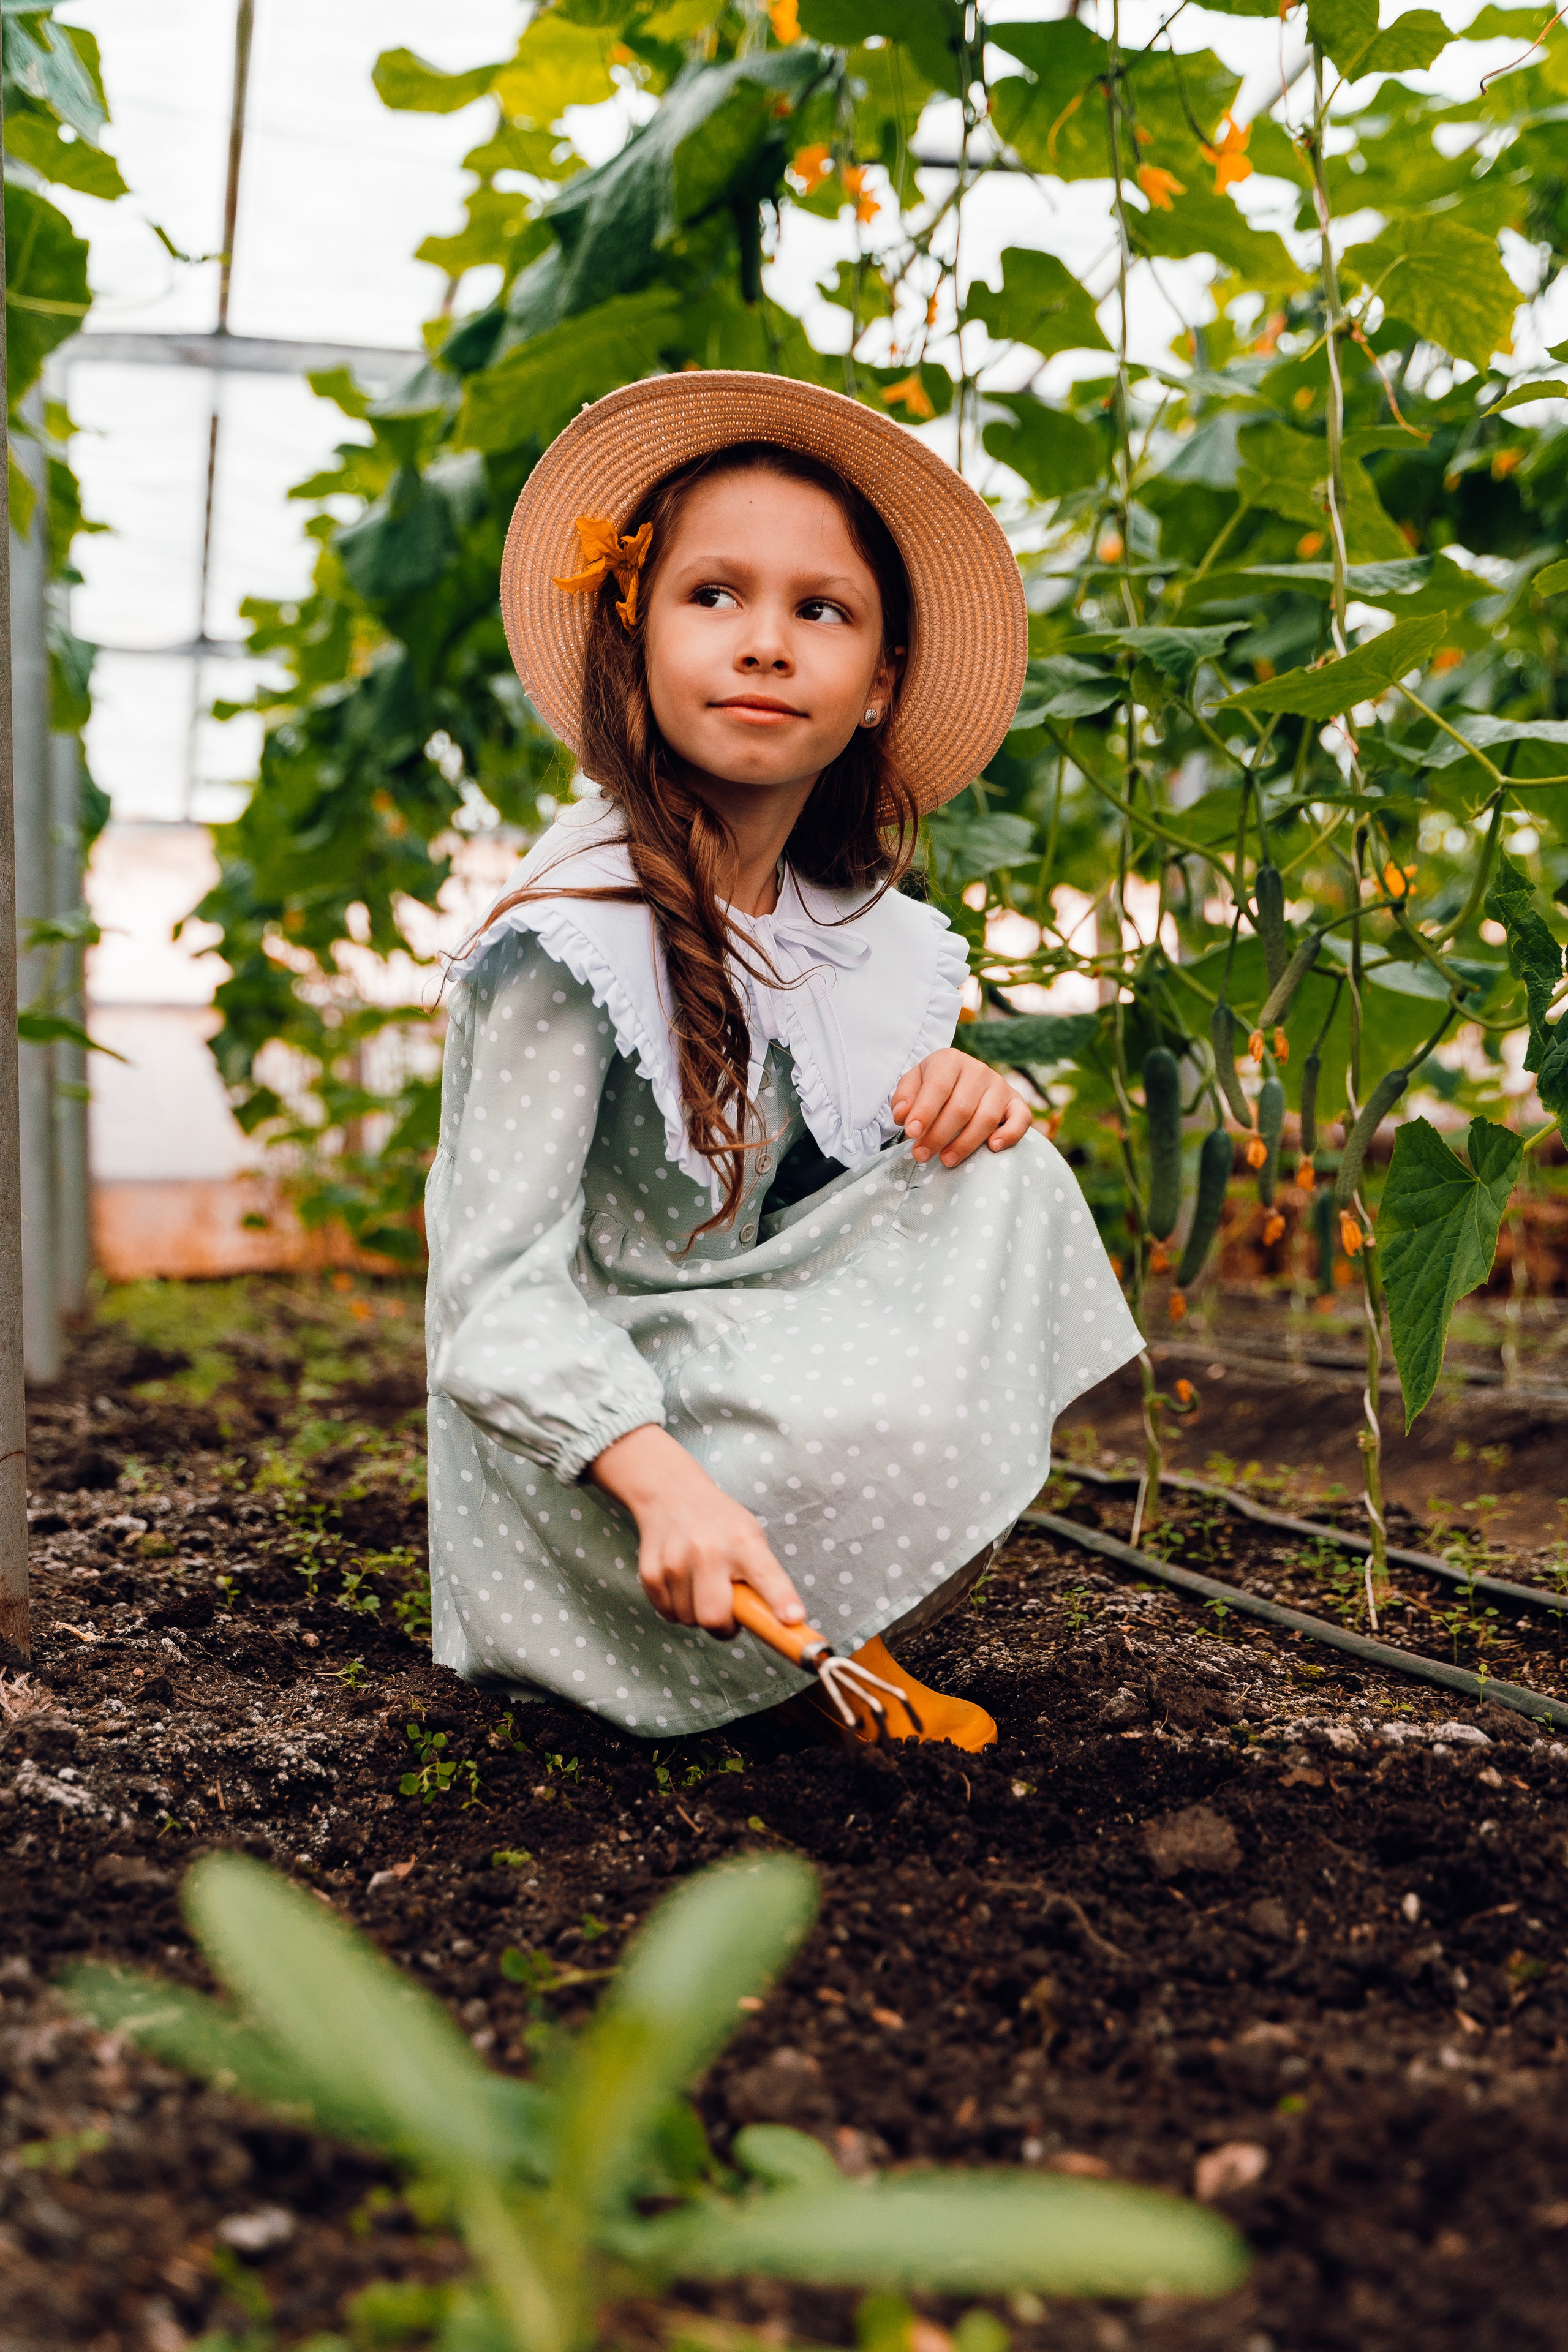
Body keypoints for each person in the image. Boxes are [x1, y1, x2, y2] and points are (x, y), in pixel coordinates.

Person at [424, 371, 1140, 1749]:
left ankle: (832, 1634)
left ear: (878, 686)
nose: (764, 644)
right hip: (588, 1445)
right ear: (633, 642)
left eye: (820, 610)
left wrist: (964, 1097)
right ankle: (743, 1635)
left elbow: (834, 1208)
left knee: (1001, 1176)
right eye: (713, 595)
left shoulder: (841, 929)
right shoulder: (570, 933)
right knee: (857, 1413)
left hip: (722, 1349)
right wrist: (661, 1482)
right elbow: (491, 1304)